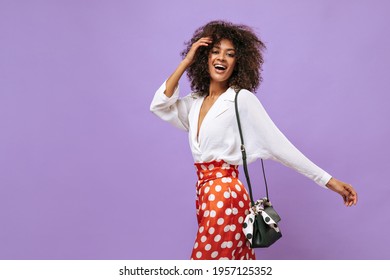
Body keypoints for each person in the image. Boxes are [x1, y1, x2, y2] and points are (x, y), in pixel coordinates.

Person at [150, 20, 358, 260]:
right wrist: (186, 61)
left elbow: (282, 148)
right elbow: (159, 105)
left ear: (238, 62)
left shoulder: (241, 99)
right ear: (204, 57)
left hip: (225, 195)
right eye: (215, 52)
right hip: (205, 194)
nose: (222, 58)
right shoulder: (194, 103)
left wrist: (329, 181)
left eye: (230, 54)